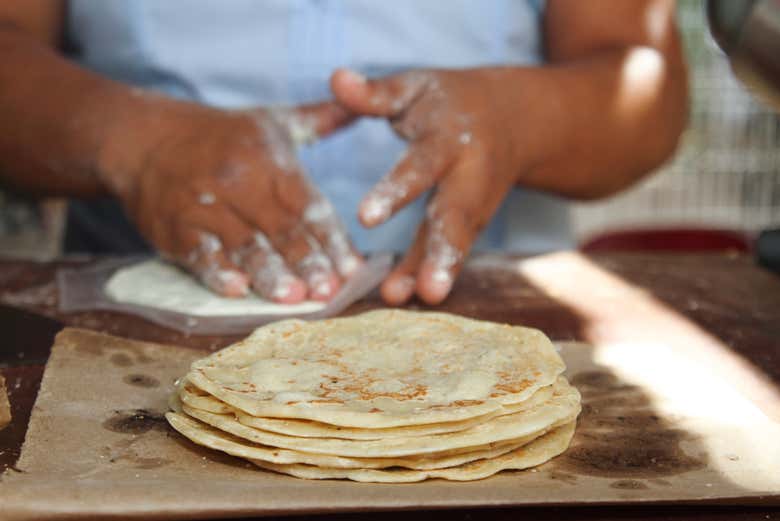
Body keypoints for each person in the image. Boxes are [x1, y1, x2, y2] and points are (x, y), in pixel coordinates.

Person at [0, 1, 687, 306]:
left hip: (485, 309)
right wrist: (132, 135)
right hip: (130, 329)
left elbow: (647, 94)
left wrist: (519, 118)